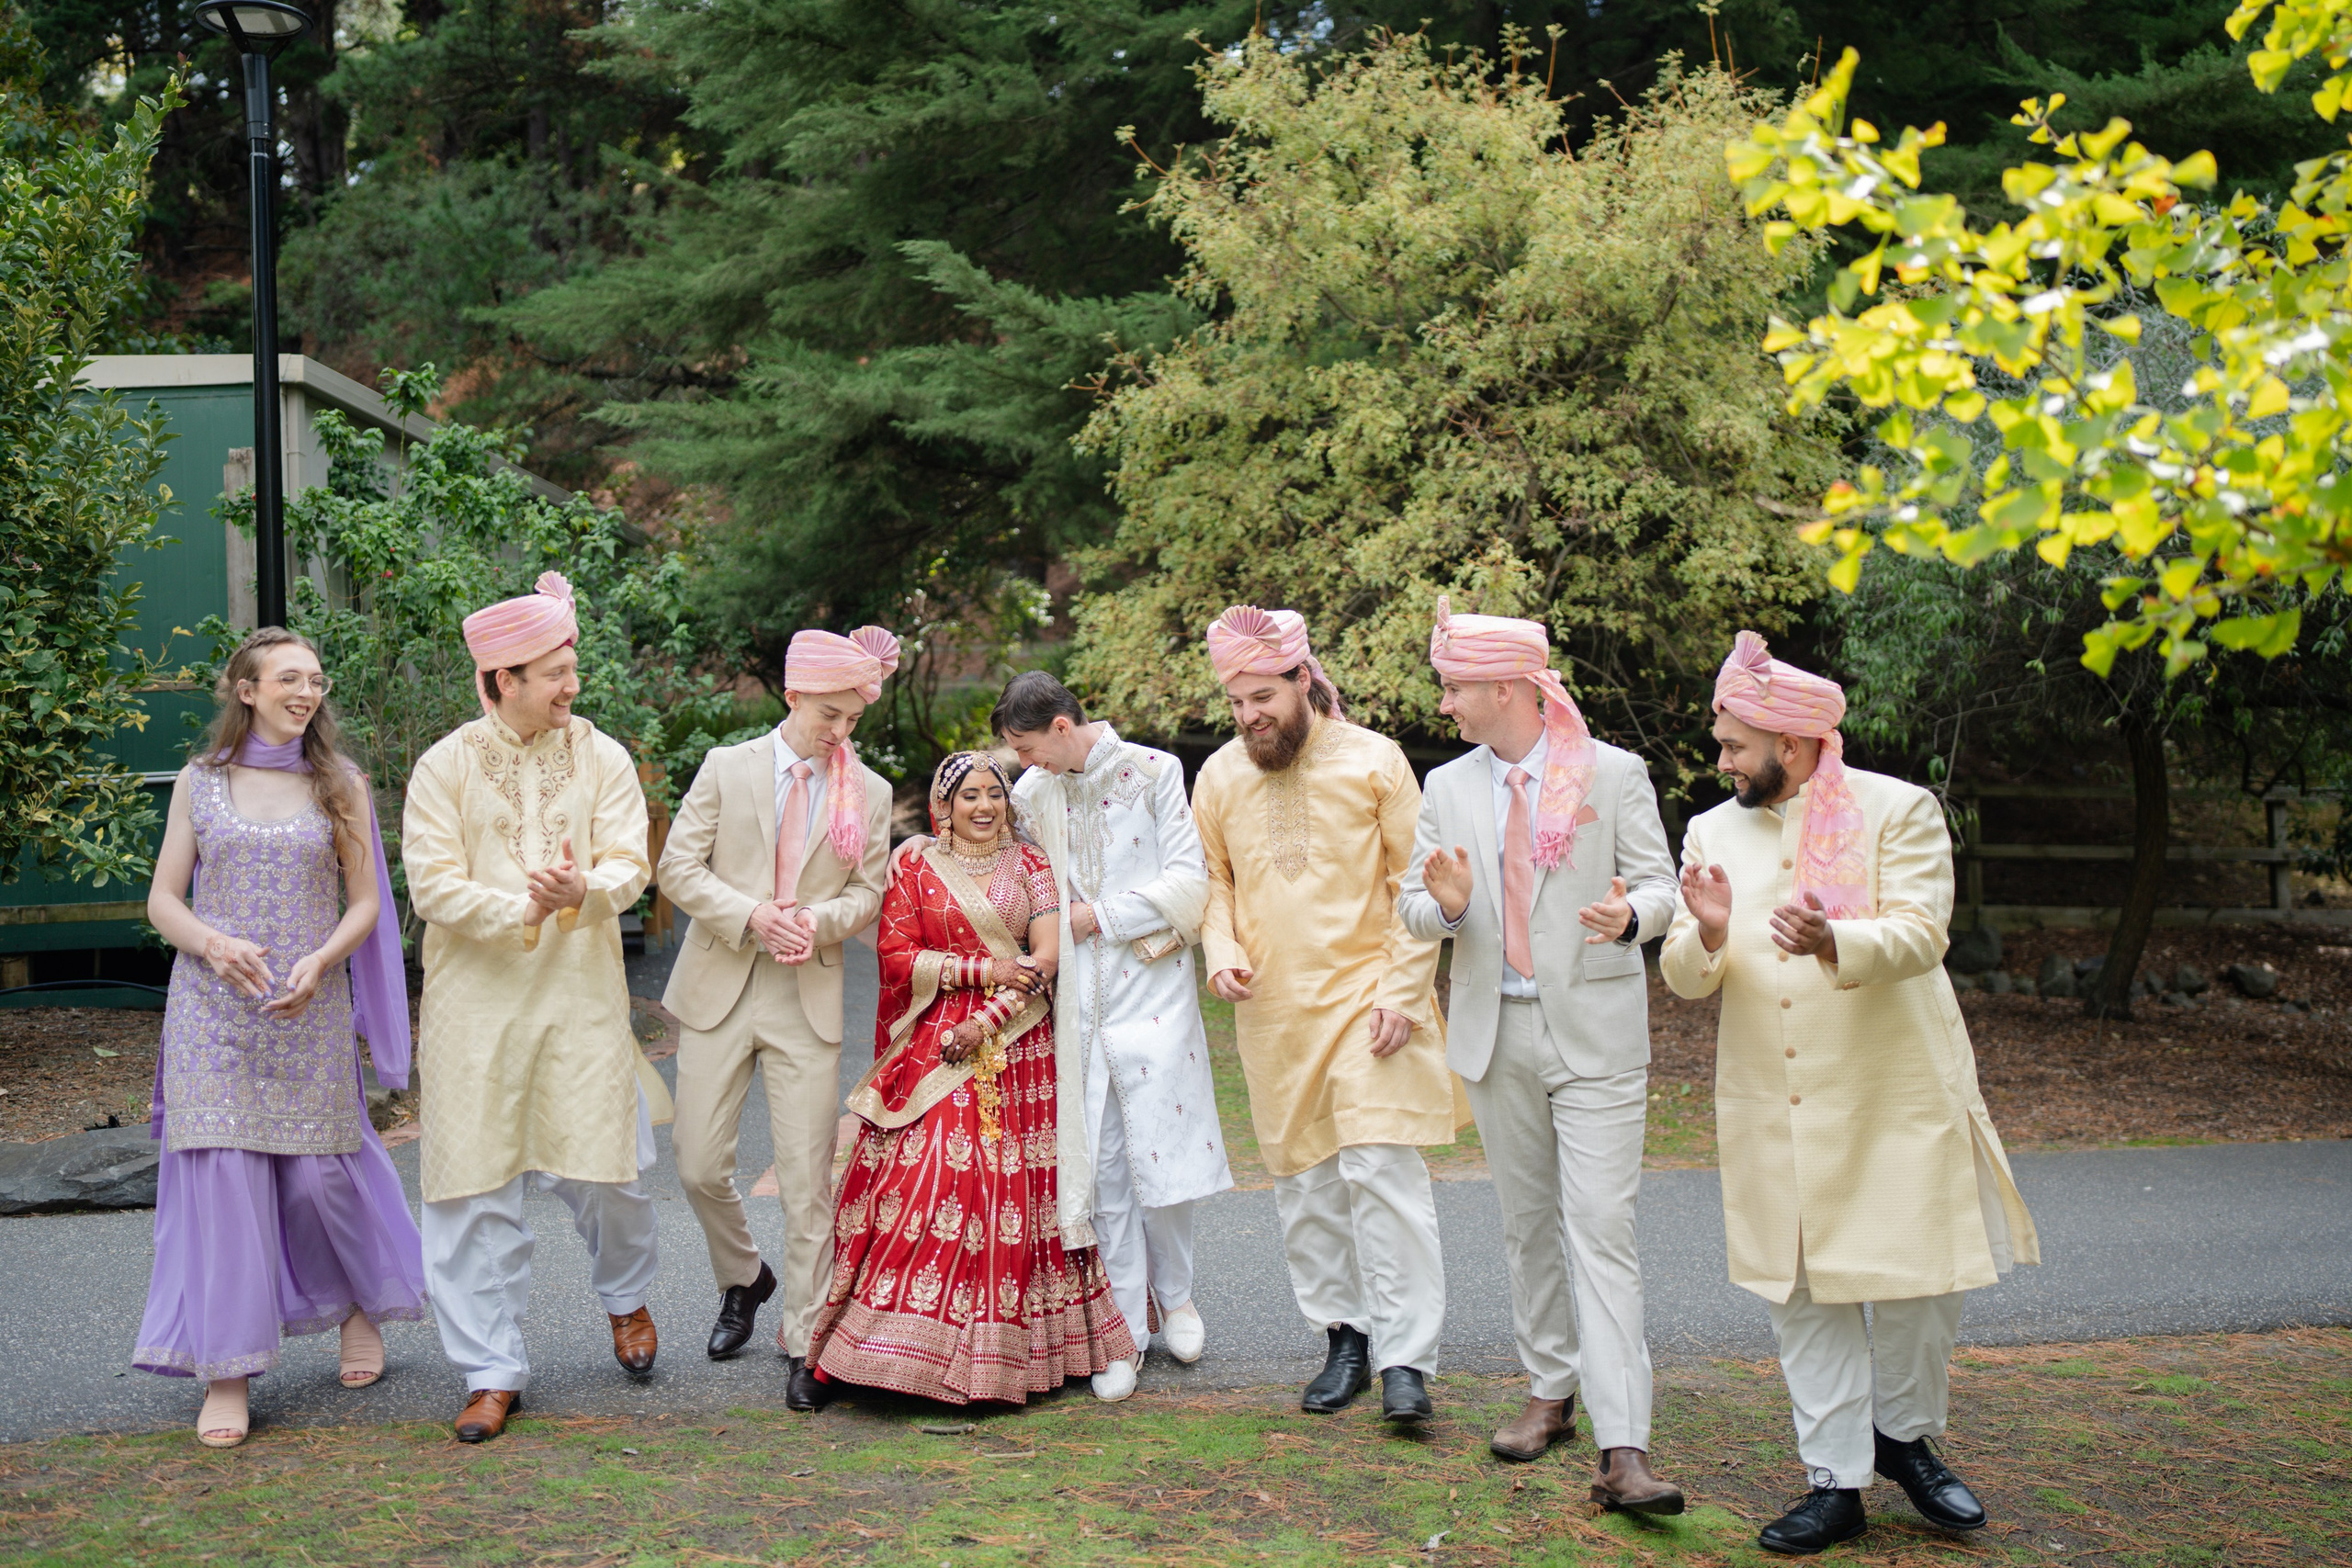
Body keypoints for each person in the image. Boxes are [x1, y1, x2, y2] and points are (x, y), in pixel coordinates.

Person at [1660, 631, 2041, 1554]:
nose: (1720, 762)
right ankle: (1833, 1481)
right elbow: (1683, 977)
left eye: (1733, 747)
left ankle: (1903, 1438)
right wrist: (1706, 933)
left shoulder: (1896, 809)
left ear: (1789, 747)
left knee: (1917, 1285)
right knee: (1804, 1293)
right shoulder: (1712, 831)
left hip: (1893, 1091)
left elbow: (1920, 933)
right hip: (1771, 1100)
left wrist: (1834, 939)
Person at [1396, 600, 1684, 1511]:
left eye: (1455, 689)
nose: (1445, 706)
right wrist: (1442, 905)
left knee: (1601, 1229)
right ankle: (1549, 1391)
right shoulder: (1444, 788)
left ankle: (1626, 1443)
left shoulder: (1612, 771)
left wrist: (1632, 916)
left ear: (1511, 688)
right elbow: (1411, 906)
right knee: (1528, 1227)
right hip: (1493, 1032)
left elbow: (1660, 887)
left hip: (1594, 1033)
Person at [135, 627, 427, 1448]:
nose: (308, 691)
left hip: (308, 1003)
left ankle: (357, 1301)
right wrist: (213, 944)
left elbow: (367, 903)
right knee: (224, 1185)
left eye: (316, 679)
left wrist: (320, 961)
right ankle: (227, 1370)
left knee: (317, 1181)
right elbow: (164, 899)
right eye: (290, 678)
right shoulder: (201, 782)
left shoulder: (340, 784)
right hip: (211, 1010)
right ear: (246, 689)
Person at [401, 571, 670, 1443]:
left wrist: (581, 886)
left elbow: (632, 863)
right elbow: (433, 884)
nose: (571, 686)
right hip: (473, 1009)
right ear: (498, 681)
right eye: (553, 672)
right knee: (473, 1189)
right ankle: (490, 1368)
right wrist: (523, 903)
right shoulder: (444, 765)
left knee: (609, 1171)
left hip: (580, 999)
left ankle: (625, 1297)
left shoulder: (602, 756)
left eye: (571, 666)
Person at [805, 752, 1135, 1404]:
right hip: (936, 1033)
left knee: (1011, 1185)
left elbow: (1044, 959)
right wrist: (979, 975)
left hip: (1016, 1038)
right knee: (924, 1170)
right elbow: (896, 955)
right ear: (944, 807)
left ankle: (1003, 1355)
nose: (984, 806)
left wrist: (985, 1021)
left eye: (995, 794)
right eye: (969, 796)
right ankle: (885, 1349)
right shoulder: (918, 866)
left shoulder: (1034, 864)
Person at [1191, 605, 1452, 1426]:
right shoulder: (1221, 776)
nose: (1249, 716)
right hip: (1275, 1012)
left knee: (1382, 1172)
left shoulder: (1378, 760)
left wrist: (1404, 993)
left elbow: (1418, 886)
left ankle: (1407, 1358)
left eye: (1263, 697)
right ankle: (1346, 1337)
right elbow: (1214, 884)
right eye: (1236, 703)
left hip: (1373, 997)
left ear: (1304, 679)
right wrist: (1221, 948)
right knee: (1306, 1183)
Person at [657, 626, 896, 1409]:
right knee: (696, 1163)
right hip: (720, 982)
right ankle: (743, 1277)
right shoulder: (727, 768)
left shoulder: (873, 790)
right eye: (829, 714)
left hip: (807, 992)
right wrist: (753, 914)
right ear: (791, 696)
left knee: (805, 1178)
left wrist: (817, 922)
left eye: (853, 719)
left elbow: (867, 893)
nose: (840, 733)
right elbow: (677, 868)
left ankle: (805, 1336)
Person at [994, 671, 1232, 1402]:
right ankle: (1121, 1325)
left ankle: (1179, 1298)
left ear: (1063, 726)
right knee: (1101, 1167)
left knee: (1161, 1147)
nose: (1026, 764)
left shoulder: (1157, 773)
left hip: (1151, 984)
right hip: (1077, 1003)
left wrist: (1100, 915)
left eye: (1031, 746)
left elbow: (1191, 884)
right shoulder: (1033, 795)